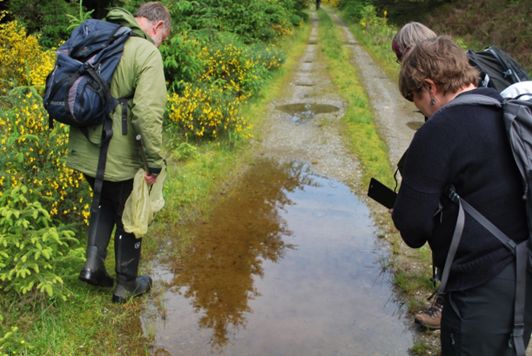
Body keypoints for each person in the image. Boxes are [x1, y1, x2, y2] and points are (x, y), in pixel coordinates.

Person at [392, 35, 532, 355]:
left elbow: (412, 229)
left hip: (479, 282)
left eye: (414, 97)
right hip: (524, 268)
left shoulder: (440, 129)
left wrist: (404, 211)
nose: (418, 108)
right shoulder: (502, 106)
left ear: (430, 87)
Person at [67, 2, 171, 303]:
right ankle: (126, 285)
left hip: (86, 147)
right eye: (163, 38)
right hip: (119, 156)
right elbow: (147, 115)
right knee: (129, 211)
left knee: (102, 199)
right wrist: (153, 163)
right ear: (158, 26)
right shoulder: (146, 51)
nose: (160, 43)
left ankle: (92, 267)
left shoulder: (103, 38)